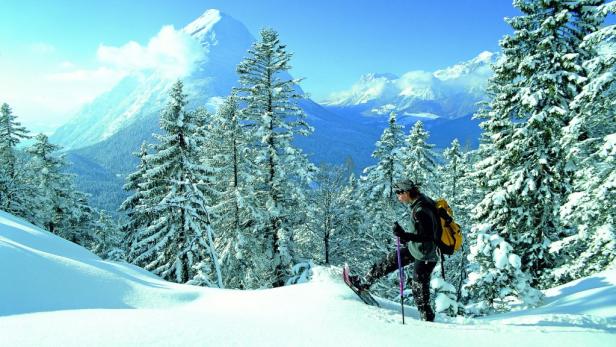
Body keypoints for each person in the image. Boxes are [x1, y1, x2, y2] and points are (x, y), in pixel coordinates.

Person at [349, 179, 439, 321]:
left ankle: (427, 319)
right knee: (389, 261)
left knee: (419, 290)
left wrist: (404, 235)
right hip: (416, 248)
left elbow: (428, 236)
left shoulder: (422, 209)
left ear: (407, 192)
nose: (398, 196)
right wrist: (405, 237)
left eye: (399, 193)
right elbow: (420, 232)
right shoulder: (419, 203)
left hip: (426, 256)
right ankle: (364, 282)